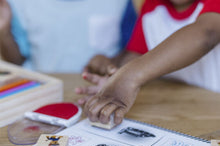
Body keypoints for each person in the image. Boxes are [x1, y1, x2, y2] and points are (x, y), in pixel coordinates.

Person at [78, 0, 220, 125]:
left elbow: (207, 33)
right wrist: (115, 76)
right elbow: (135, 54)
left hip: (213, 112)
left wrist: (128, 78)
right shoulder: (152, 5)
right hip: (173, 109)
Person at [0, 0, 130, 73]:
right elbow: (17, 61)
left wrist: (112, 62)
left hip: (101, 92)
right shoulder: (18, 3)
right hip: (42, 92)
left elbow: (133, 51)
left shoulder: (121, 2)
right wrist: (4, 31)